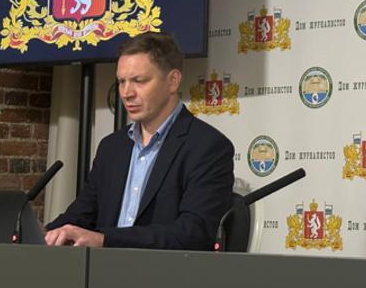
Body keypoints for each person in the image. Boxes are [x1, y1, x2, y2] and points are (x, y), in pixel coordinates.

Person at [45, 33, 234, 249]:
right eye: (121, 82)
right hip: (101, 268)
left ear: (173, 81)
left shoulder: (208, 147)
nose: (126, 93)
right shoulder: (111, 147)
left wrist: (105, 240)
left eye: (139, 81)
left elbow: (193, 233)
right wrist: (39, 234)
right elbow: (79, 216)